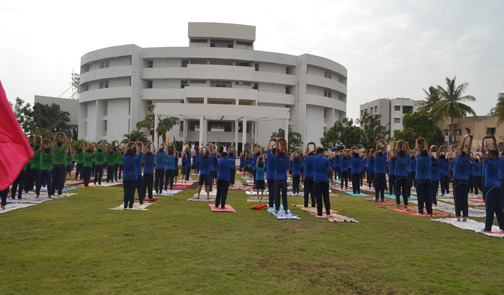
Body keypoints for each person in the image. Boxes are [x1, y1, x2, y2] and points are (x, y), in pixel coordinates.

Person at [481, 135, 504, 233]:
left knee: (490, 208)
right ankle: (502, 227)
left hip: (490, 187)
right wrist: (494, 139)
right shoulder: (499, 161)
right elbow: (497, 152)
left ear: (493, 156)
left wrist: (483, 139)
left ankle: (487, 227)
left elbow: (482, 151)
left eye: (489, 154)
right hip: (497, 186)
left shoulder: (488, 161)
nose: (488, 155)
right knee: (499, 208)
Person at [453, 135, 472, 222]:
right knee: (465, 199)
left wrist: (464, 138)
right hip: (465, 181)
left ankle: (458, 216)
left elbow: (461, 150)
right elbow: (468, 150)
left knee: (457, 199)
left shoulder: (458, 160)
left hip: (457, 181)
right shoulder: (467, 159)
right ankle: (465, 216)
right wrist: (470, 139)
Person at [313, 147, 333, 220]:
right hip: (325, 179)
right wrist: (331, 177)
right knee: (326, 196)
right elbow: (330, 169)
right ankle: (328, 212)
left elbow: (306, 155)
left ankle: (320, 212)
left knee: (318, 197)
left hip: (317, 179)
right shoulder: (326, 159)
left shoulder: (314, 159)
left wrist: (314, 150)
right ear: (323, 152)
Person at [415, 137, 432, 215]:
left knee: (420, 196)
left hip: (420, 179)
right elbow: (427, 149)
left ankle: (420, 210)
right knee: (428, 196)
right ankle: (429, 211)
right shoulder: (428, 158)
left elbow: (417, 149)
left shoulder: (419, 159)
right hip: (428, 179)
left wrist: (417, 141)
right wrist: (425, 141)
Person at [123, 142, 139, 209]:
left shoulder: (125, 158)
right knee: (132, 191)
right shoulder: (134, 158)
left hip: (126, 177)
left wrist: (128, 144)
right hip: (133, 177)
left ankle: (125, 204)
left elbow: (124, 151)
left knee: (126, 191)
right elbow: (138, 151)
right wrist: (136, 144)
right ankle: (131, 205)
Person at [394, 141, 409, 208]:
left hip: (399, 176)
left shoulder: (398, 158)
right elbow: (406, 151)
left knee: (397, 190)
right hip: (405, 176)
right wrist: (405, 144)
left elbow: (396, 151)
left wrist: (397, 143)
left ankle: (398, 203)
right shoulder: (406, 158)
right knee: (404, 191)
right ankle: (405, 203)